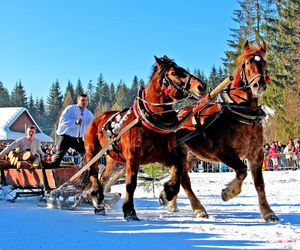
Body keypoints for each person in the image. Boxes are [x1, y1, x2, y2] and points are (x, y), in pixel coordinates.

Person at [50, 94, 94, 168]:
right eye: (82, 100)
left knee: (86, 152)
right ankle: (49, 169)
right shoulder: (70, 109)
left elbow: (93, 123)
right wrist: (75, 122)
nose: (84, 102)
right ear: (78, 101)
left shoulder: (88, 113)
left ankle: (83, 168)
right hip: (65, 137)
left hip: (77, 138)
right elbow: (63, 120)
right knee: (59, 157)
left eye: (86, 100)